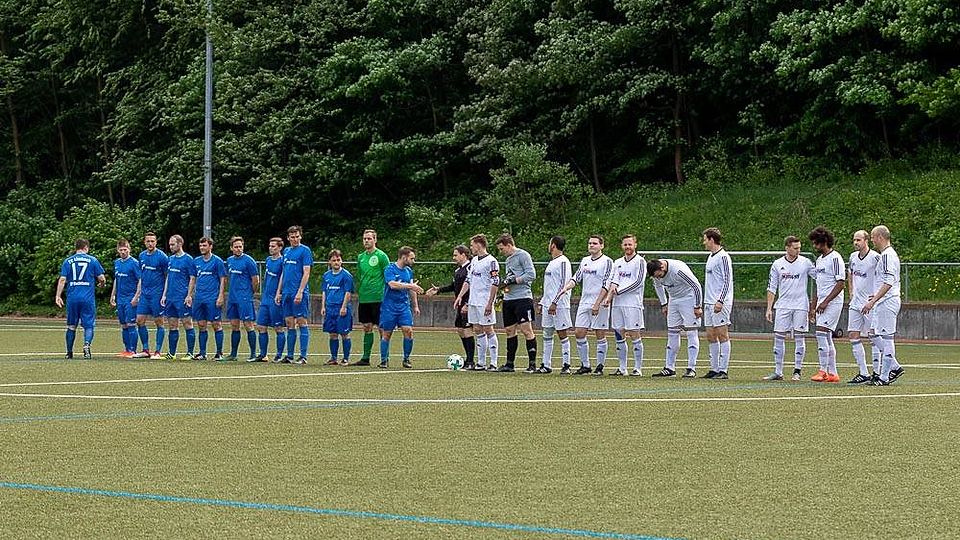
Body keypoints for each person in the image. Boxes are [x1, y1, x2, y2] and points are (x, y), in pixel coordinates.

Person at [554, 235, 613, 375]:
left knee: (600, 333)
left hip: (599, 302)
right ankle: (585, 365)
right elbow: (576, 277)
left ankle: (599, 366)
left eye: (595, 243)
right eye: (590, 243)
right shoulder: (585, 261)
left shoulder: (607, 261)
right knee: (579, 332)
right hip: (584, 301)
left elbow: (607, 283)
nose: (591, 245)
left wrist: (597, 303)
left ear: (602, 246)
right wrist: (566, 287)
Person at [763, 236, 815, 381]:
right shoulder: (777, 264)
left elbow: (819, 277)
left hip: (800, 305)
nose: (798, 250)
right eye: (795, 248)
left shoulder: (806, 262)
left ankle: (797, 371)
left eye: (799, 248)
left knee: (799, 336)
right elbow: (772, 287)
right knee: (779, 336)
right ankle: (778, 371)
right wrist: (769, 308)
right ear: (787, 248)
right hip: (783, 305)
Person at [863, 225, 904, 386]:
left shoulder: (887, 256)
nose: (872, 240)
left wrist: (873, 300)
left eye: (873, 237)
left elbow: (889, 281)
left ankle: (884, 377)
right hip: (883, 301)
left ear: (880, 237)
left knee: (887, 338)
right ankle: (894, 366)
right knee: (873, 333)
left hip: (888, 301)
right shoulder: (885, 255)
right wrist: (876, 296)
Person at [648, 258, 703, 377]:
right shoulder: (656, 274)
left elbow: (696, 285)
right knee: (672, 332)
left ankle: (691, 368)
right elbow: (658, 286)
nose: (658, 278)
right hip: (673, 299)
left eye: (659, 275)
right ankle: (669, 367)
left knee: (691, 332)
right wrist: (664, 304)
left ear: (662, 267)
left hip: (688, 298)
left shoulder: (678, 270)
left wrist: (697, 306)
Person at [601, 235, 646, 376]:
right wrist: (609, 297)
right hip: (617, 304)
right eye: (625, 244)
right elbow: (614, 281)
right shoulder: (618, 262)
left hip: (633, 304)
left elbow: (638, 282)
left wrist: (619, 291)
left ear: (635, 245)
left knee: (634, 333)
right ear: (622, 246)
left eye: (630, 244)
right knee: (618, 332)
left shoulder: (640, 261)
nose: (627, 247)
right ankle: (622, 368)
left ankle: (637, 368)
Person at [425, 245, 475, 370]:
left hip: (468, 304)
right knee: (460, 330)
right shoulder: (458, 270)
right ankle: (468, 358)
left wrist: (467, 303)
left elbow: (473, 287)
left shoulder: (471, 268)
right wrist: (439, 290)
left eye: (455, 255)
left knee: (467, 330)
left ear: (463, 255)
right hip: (459, 304)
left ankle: (471, 361)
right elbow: (454, 286)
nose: (454, 258)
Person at [454, 234, 500, 371]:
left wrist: (490, 303)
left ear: (479, 245)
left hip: (484, 301)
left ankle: (493, 363)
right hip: (473, 301)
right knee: (478, 329)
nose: (471, 248)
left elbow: (495, 282)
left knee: (488, 329)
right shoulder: (474, 260)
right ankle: (481, 362)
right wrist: (460, 296)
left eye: (472, 245)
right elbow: (468, 280)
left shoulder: (491, 261)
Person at [494, 234, 537, 373]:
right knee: (509, 330)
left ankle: (532, 364)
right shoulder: (508, 260)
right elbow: (510, 277)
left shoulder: (523, 255)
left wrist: (514, 280)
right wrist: (504, 288)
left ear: (509, 245)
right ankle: (509, 364)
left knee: (526, 329)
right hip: (509, 299)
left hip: (522, 298)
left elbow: (531, 275)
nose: (501, 252)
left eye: (502, 248)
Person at [55, 239, 106, 359]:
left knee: (71, 326)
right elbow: (102, 278)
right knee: (88, 325)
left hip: (72, 298)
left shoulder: (68, 261)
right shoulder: (93, 260)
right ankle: (86, 345)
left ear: (76, 248)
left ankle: (69, 352)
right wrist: (102, 284)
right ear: (86, 248)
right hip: (87, 298)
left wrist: (58, 295)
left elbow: (62, 280)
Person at [808, 226, 845, 383]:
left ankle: (823, 370)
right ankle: (833, 373)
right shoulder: (819, 260)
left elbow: (840, 283)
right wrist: (813, 306)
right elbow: (818, 285)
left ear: (824, 242)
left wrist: (826, 302)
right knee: (827, 336)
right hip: (822, 302)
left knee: (821, 333)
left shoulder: (835, 258)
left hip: (833, 302)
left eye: (816, 243)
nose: (814, 246)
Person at [846, 230, 881, 384]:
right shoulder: (853, 257)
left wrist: (876, 296)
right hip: (855, 303)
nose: (856, 243)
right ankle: (863, 372)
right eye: (854, 240)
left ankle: (877, 372)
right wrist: (851, 292)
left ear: (866, 241)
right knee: (853, 334)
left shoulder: (875, 257)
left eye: (859, 240)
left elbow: (883, 277)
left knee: (873, 337)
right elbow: (850, 274)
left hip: (869, 303)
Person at [378, 247, 422, 368]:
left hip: (403, 306)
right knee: (386, 333)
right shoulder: (390, 269)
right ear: (404, 257)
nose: (413, 261)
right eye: (411, 258)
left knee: (408, 331)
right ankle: (384, 360)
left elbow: (412, 289)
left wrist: (415, 305)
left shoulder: (408, 271)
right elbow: (392, 284)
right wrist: (410, 286)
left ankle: (406, 359)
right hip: (389, 307)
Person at [274, 225, 313, 364]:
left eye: (297, 236)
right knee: (290, 323)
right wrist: (279, 292)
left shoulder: (305, 251)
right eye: (292, 237)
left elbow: (306, 272)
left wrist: (300, 291)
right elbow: (283, 273)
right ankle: (289, 355)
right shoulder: (286, 251)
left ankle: (303, 356)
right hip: (287, 293)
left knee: (301, 321)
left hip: (298, 292)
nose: (295, 239)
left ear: (300, 236)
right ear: (288, 238)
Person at [353, 229, 390, 366]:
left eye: (369, 238)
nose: (366, 241)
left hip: (378, 297)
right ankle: (365, 358)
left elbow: (388, 276)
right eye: (364, 239)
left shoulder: (382, 256)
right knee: (367, 327)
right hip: (364, 297)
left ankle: (384, 359)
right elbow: (360, 275)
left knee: (381, 328)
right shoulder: (361, 257)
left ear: (375, 240)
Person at [701, 228, 733, 379]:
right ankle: (714, 369)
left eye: (705, 239)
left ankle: (723, 370)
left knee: (722, 334)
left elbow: (727, 280)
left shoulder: (724, 257)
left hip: (720, 302)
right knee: (710, 335)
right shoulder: (711, 256)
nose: (704, 242)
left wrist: (720, 300)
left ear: (711, 240)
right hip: (708, 302)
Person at [188, 237, 227, 360]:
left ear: (210, 246)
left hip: (212, 298)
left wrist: (221, 295)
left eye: (204, 245)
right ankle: (202, 353)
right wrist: (189, 295)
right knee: (201, 324)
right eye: (200, 246)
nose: (202, 248)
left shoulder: (217, 261)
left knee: (216, 324)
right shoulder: (196, 261)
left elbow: (223, 279)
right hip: (199, 298)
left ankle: (219, 353)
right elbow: (193, 278)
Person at [538, 236, 573, 374]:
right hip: (548, 304)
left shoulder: (563, 262)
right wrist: (543, 302)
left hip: (559, 305)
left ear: (553, 245)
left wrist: (555, 302)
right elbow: (549, 286)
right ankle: (546, 364)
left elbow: (564, 284)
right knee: (547, 333)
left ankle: (566, 365)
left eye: (549, 243)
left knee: (562, 333)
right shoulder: (551, 263)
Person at [224, 236, 260, 361]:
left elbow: (255, 280)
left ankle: (253, 354)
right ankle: (233, 354)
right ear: (231, 248)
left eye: (240, 246)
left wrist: (249, 293)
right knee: (234, 325)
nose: (238, 249)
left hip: (244, 298)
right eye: (236, 247)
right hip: (232, 298)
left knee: (248, 324)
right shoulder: (229, 260)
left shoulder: (249, 261)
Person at [134, 232, 169, 359]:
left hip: (157, 294)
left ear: (156, 242)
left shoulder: (162, 257)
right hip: (145, 294)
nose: (150, 243)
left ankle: (158, 351)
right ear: (144, 242)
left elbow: (167, 276)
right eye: (148, 241)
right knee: (139, 320)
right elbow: (141, 276)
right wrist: (138, 294)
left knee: (159, 322)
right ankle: (145, 350)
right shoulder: (142, 256)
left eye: (152, 241)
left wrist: (164, 294)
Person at [161, 235, 197, 360]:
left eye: (173, 244)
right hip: (170, 297)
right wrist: (164, 294)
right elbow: (168, 277)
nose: (170, 247)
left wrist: (189, 295)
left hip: (182, 297)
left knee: (187, 323)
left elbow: (192, 278)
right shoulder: (170, 259)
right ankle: (172, 353)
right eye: (170, 244)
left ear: (180, 244)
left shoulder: (188, 259)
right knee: (172, 325)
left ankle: (190, 353)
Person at [255, 237, 286, 362]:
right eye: (270, 246)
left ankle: (279, 355)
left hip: (275, 299)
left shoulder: (282, 261)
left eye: (273, 246)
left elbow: (283, 278)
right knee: (261, 326)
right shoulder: (268, 260)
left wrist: (279, 293)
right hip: (266, 298)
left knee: (278, 327)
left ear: (280, 247)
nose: (271, 248)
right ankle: (263, 355)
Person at [321, 249, 354, 365]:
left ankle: (345, 358)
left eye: (338, 260)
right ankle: (333, 358)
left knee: (344, 333)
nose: (336, 262)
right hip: (330, 308)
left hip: (341, 307)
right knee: (332, 333)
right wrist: (323, 306)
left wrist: (344, 307)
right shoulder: (326, 275)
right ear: (329, 262)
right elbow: (324, 291)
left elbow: (348, 292)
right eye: (334, 260)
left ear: (341, 261)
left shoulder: (346, 276)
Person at [110, 239, 141, 358]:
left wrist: (136, 296)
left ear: (129, 249)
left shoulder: (134, 263)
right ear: (118, 250)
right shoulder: (117, 263)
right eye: (121, 250)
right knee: (123, 324)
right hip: (120, 298)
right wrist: (113, 295)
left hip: (130, 298)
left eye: (125, 249)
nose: (123, 252)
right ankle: (127, 349)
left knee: (131, 323)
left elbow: (140, 280)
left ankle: (133, 350)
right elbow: (116, 279)